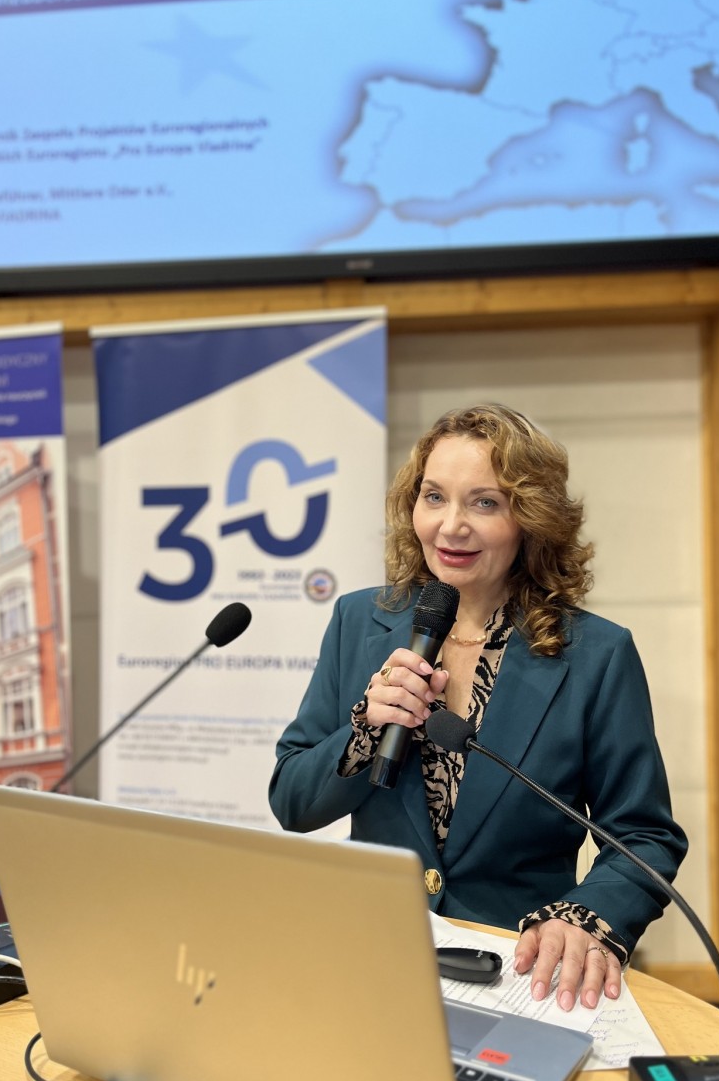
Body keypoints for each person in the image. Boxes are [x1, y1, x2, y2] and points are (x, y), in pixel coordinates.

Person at [269, 403, 687, 1012]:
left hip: (520, 972)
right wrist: (364, 729)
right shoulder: (360, 621)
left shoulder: (596, 655)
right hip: (374, 958)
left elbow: (644, 835)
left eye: (484, 503)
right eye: (434, 497)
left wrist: (584, 918)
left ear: (530, 519)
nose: (450, 526)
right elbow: (293, 803)